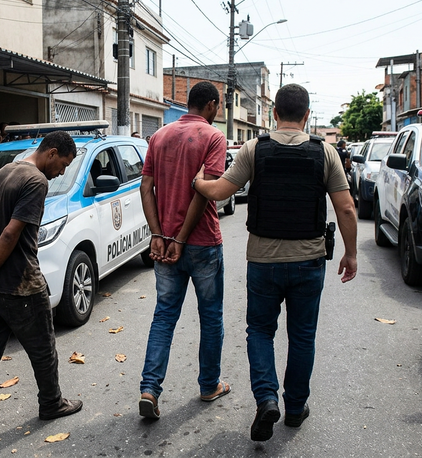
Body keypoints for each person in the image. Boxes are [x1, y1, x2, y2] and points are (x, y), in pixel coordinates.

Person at [193, 84, 358, 441]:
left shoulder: (255, 148)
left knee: (261, 331)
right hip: (309, 260)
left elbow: (221, 191)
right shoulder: (324, 152)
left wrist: (200, 183)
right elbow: (346, 207)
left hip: (264, 262)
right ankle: (295, 408)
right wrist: (351, 253)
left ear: (274, 114)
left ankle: (266, 398)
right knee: (302, 336)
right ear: (307, 115)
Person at [0, 131, 82, 444]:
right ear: (51, 153)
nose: (61, 171)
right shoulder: (36, 181)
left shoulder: (2, 172)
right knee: (44, 350)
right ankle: (51, 403)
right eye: (63, 164)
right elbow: (10, 234)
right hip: (21, 283)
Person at [138, 81, 230, 420]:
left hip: (165, 245)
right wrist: (180, 238)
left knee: (164, 316)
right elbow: (206, 191)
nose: (217, 111)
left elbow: (146, 186)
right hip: (203, 242)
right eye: (217, 106)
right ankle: (209, 385)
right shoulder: (213, 137)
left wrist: (159, 234)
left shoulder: (159, 136)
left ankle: (149, 389)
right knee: (211, 316)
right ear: (210, 105)